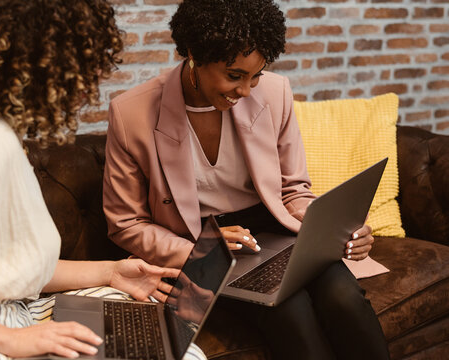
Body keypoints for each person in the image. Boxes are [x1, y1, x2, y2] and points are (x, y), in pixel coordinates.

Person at [103, 0, 390, 358]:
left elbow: (294, 189)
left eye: (256, 75)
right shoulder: (131, 114)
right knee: (291, 311)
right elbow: (126, 224)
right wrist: (202, 249)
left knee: (344, 299)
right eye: (235, 75)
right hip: (207, 246)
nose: (247, 91)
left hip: (278, 231)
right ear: (194, 55)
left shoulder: (275, 92)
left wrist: (333, 228)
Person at [0, 1, 206, 359]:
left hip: (13, 312)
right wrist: (14, 341)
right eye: (82, 67)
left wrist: (112, 272)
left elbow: (9, 269)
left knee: (169, 341)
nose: (88, 85)